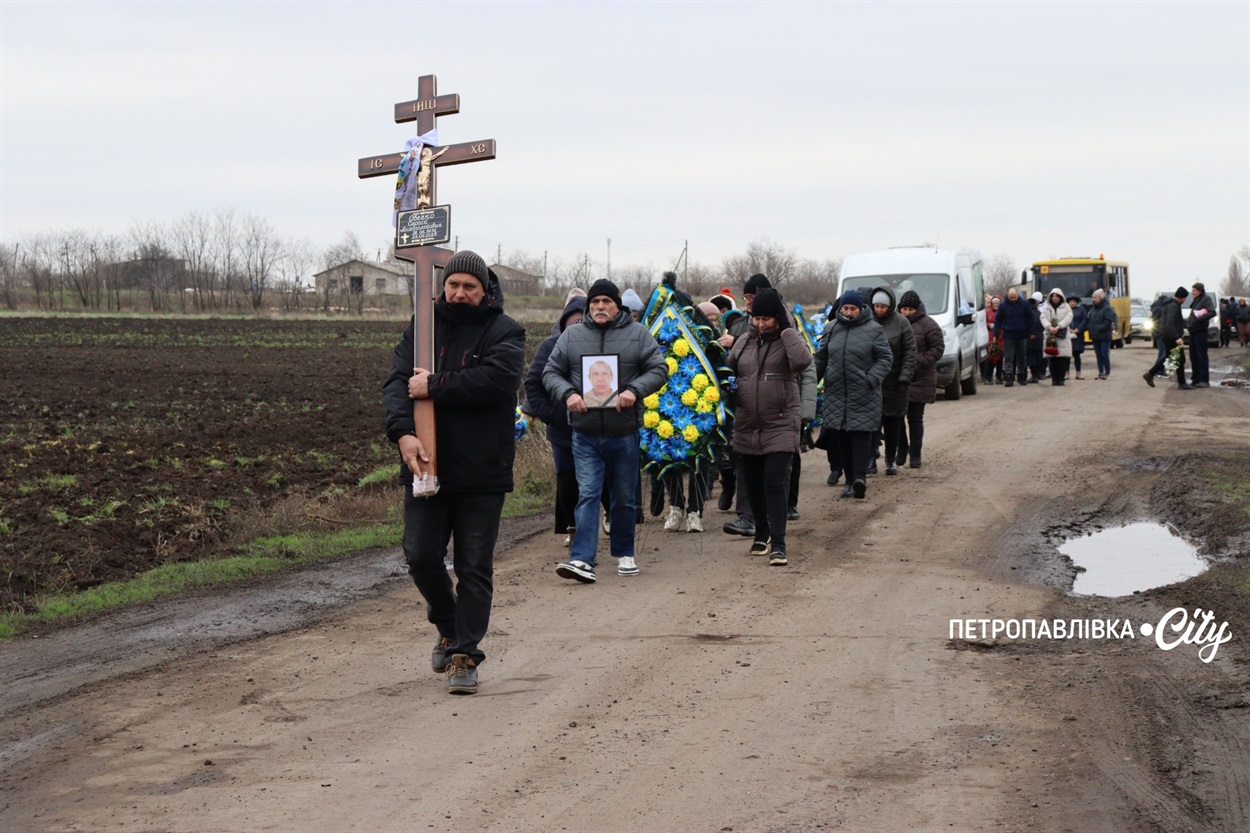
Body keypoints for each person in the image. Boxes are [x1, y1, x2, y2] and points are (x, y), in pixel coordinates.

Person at [383, 250, 526, 695]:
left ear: (485, 291)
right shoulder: (424, 325)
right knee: (421, 555)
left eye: (470, 287)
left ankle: (465, 654)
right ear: (443, 285)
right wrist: (403, 433)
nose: (460, 293)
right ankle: (448, 625)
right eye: (454, 285)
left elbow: (495, 380)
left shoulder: (505, 330)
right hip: (426, 466)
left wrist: (436, 385)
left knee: (473, 566)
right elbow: (396, 382)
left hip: (482, 471)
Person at [544, 279, 667, 583]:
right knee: (587, 493)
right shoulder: (572, 336)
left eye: (606, 302)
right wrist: (568, 394)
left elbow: (659, 369)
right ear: (588, 306)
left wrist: (635, 391)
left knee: (623, 496)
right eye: (595, 302)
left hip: (623, 431)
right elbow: (550, 372)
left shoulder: (637, 334)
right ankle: (582, 559)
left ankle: (624, 553)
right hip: (584, 433)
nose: (600, 307)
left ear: (617, 306)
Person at [728, 288, 811, 566]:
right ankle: (761, 534)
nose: (761, 324)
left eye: (767, 318)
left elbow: (802, 361)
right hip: (747, 425)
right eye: (757, 318)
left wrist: (787, 330)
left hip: (781, 424)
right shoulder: (743, 342)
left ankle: (779, 542)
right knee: (752, 485)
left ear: (778, 317)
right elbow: (728, 371)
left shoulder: (790, 340)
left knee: (774, 483)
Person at [815, 289, 892, 500]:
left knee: (859, 436)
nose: (848, 312)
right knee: (842, 439)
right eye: (845, 308)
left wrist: (871, 379)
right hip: (836, 393)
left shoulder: (874, 329)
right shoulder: (832, 328)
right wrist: (811, 381)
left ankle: (859, 479)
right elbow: (821, 359)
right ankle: (849, 482)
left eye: (853, 309)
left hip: (864, 393)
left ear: (861, 309)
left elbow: (885, 358)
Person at [523, 295, 587, 547]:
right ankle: (572, 527)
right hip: (562, 429)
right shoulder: (550, 347)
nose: (578, 326)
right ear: (564, 323)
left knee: (596, 478)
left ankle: (603, 519)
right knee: (567, 479)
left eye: (584, 321)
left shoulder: (599, 345)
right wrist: (550, 414)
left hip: (595, 426)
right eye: (574, 321)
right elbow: (533, 383)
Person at [869, 286, 916, 475]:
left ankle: (890, 460)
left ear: (890, 306)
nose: (879, 310)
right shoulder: (867, 322)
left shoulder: (901, 323)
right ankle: (870, 459)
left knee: (892, 423)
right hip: (872, 381)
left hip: (895, 382)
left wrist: (905, 377)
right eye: (876, 306)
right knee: (871, 423)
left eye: (883, 306)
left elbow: (910, 352)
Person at [896, 290, 944, 469]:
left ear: (917, 309)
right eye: (904, 309)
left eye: (910, 309)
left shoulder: (929, 325)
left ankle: (915, 454)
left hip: (920, 378)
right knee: (897, 418)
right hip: (898, 379)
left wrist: (916, 361)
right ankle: (901, 449)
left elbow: (937, 349)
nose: (906, 313)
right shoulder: (895, 324)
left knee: (915, 419)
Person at [1144, 287, 1193, 390]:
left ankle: (1181, 382)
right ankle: (1151, 374)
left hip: (1168, 336)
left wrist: (1188, 324)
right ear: (1183, 297)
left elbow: (1177, 321)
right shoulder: (1173, 306)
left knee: (1176, 359)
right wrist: (1176, 337)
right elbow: (1169, 323)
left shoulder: (1171, 304)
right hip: (1170, 337)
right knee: (1175, 359)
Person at [993, 288, 1032, 387]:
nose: (1013, 299)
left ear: (1017, 296)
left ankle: (1021, 376)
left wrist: (1031, 331)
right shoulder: (1003, 305)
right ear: (1008, 296)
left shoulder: (1024, 304)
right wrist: (995, 334)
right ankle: (1009, 377)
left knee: (1021, 356)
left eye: (1014, 297)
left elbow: (1030, 318)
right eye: (1011, 297)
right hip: (1009, 335)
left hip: (1021, 334)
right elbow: (998, 320)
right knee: (1008, 357)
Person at [1039, 289, 1074, 385]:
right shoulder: (1047, 307)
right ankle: (1054, 379)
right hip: (1050, 334)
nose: (1054, 297)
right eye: (1053, 296)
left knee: (1061, 358)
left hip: (1062, 334)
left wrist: (1059, 326)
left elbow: (1069, 317)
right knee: (1052, 358)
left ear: (1060, 297)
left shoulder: (1066, 307)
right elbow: (1043, 318)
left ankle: (1061, 378)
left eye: (1057, 296)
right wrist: (1049, 327)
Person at [1187, 281, 1216, 388]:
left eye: (1194, 290)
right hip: (1193, 331)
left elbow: (1212, 312)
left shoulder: (1206, 299)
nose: (1192, 292)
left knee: (1201, 355)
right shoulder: (1196, 300)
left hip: (1200, 331)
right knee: (1193, 356)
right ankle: (1196, 379)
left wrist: (1200, 319)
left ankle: (1204, 379)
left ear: (1199, 291)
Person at [1086, 288, 1118, 379]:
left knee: (1104, 353)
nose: (1093, 299)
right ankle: (1100, 372)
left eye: (1095, 298)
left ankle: (1107, 373)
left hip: (1104, 336)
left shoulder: (1107, 308)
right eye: (1093, 298)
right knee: (1098, 354)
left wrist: (1098, 328)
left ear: (1100, 298)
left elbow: (1108, 321)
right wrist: (1090, 328)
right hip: (1095, 336)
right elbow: (1089, 319)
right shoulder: (1093, 309)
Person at [1025, 291, 1046, 383]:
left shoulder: (1027, 315)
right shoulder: (1040, 313)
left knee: (1030, 356)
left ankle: (1034, 375)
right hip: (1039, 336)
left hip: (1029, 337)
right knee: (1039, 356)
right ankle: (1039, 373)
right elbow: (1043, 325)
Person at [1066, 295, 1088, 380]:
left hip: (1078, 336)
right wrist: (1068, 329)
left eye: (1074, 302)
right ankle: (1066, 373)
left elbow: (1084, 321)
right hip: (1067, 336)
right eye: (1071, 302)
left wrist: (1077, 329)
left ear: (1077, 302)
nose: (1072, 303)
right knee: (1067, 356)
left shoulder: (1081, 310)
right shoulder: (1065, 311)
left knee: (1077, 355)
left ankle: (1078, 373)